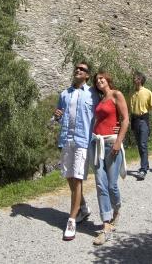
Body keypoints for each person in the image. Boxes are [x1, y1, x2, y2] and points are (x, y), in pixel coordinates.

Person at [53, 61, 98, 241]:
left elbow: (102, 112)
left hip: (82, 141)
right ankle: (83, 208)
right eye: (77, 68)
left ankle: (72, 219)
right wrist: (56, 116)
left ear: (87, 75)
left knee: (77, 179)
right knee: (69, 177)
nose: (78, 70)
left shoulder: (93, 94)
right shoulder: (64, 94)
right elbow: (58, 115)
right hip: (66, 139)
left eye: (82, 69)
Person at [90, 69, 130, 246]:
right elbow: (98, 121)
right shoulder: (100, 100)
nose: (99, 81)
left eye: (101, 79)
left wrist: (118, 141)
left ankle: (117, 209)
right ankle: (106, 223)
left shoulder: (116, 94)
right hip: (97, 143)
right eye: (97, 80)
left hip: (111, 144)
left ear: (108, 80)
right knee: (100, 184)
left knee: (112, 185)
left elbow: (126, 119)